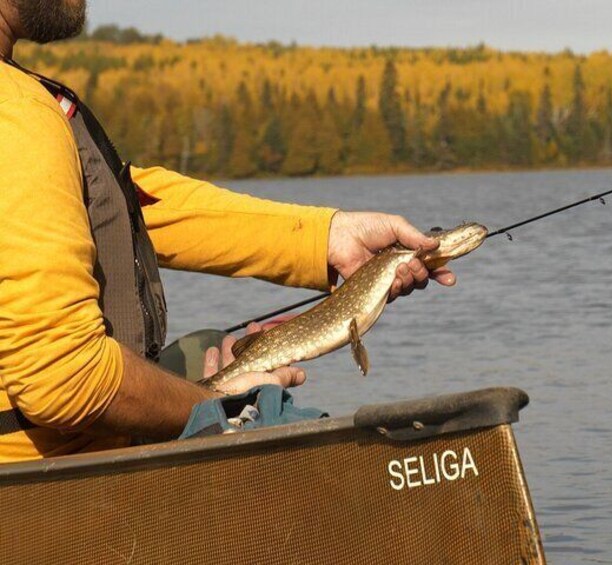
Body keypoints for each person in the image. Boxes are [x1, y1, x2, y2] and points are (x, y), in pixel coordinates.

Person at [0, 0, 455, 463]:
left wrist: (324, 237)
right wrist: (220, 408)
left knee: (205, 348)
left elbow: (121, 202)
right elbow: (65, 378)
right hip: (46, 493)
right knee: (290, 428)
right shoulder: (15, 114)